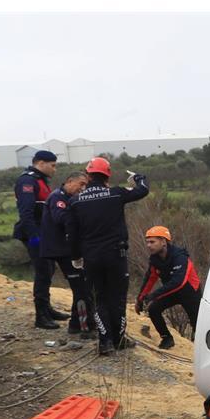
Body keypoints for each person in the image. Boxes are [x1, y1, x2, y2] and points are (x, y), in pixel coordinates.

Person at [66, 157, 149, 355]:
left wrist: (76, 257)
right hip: (116, 256)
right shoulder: (116, 193)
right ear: (107, 175)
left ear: (87, 175)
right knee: (117, 298)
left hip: (91, 258)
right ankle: (119, 339)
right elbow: (143, 190)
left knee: (99, 299)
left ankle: (105, 343)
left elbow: (72, 234)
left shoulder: (75, 201)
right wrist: (139, 177)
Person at [14, 149, 70, 329]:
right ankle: (41, 316)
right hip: (35, 234)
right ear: (40, 163)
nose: (54, 169)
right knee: (43, 272)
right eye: (52, 166)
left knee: (49, 269)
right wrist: (34, 237)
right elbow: (26, 212)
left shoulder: (40, 180)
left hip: (44, 233)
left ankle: (48, 309)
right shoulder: (27, 181)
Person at [41, 171, 96, 337]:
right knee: (82, 289)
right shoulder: (58, 197)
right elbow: (62, 219)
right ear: (69, 181)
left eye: (85, 185)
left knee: (82, 287)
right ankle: (85, 327)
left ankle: (74, 325)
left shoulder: (68, 198)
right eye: (81, 184)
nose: (83, 188)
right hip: (62, 250)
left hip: (68, 248)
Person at [134, 226, 202, 349]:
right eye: (148, 242)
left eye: (152, 242)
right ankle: (167, 339)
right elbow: (150, 278)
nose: (148, 245)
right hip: (171, 290)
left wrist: (153, 295)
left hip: (190, 291)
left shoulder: (180, 257)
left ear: (163, 242)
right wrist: (140, 299)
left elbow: (179, 282)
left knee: (197, 323)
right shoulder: (155, 259)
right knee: (154, 309)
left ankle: (201, 348)